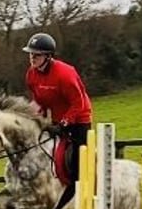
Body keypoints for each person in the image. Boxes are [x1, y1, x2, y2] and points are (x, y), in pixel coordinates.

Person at [22, 32, 93, 187]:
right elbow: (38, 101)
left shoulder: (65, 74)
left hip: (79, 118)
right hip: (57, 118)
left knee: (76, 161)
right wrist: (30, 116)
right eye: (31, 54)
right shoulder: (31, 75)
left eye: (37, 55)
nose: (32, 58)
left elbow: (78, 103)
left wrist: (63, 124)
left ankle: (78, 186)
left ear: (48, 56)